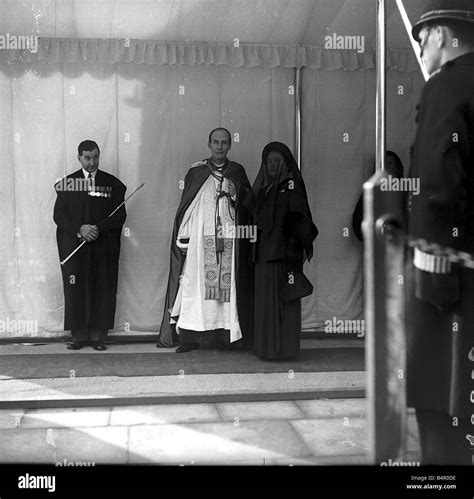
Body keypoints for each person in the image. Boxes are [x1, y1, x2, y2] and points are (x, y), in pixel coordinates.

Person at [405, 0, 474, 465]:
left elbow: (436, 180)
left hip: (457, 277)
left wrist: (431, 268)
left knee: (442, 397)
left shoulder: (447, 87)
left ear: (445, 35)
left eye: (422, 36)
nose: (421, 45)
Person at [157, 128, 254, 353]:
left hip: (229, 238)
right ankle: (191, 338)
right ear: (208, 144)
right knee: (197, 286)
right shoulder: (197, 171)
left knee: (226, 288)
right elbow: (187, 208)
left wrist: (235, 193)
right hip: (202, 242)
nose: (220, 147)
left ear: (230, 145)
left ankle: (226, 337)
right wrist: (185, 236)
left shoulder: (237, 171)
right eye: (216, 142)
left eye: (224, 143)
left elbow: (250, 205)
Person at [53, 140, 127, 351]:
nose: (92, 162)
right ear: (79, 158)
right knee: (76, 287)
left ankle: (98, 336)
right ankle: (78, 335)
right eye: (87, 157)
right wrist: (80, 229)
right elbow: (59, 216)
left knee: (102, 287)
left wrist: (97, 229)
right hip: (75, 246)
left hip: (103, 247)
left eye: (95, 157)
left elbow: (120, 216)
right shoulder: (67, 183)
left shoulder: (113, 184)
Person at [250, 142, 318, 360]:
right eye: (268, 161)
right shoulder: (265, 188)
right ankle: (267, 350)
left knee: (284, 303)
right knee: (266, 304)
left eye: (276, 161)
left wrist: (292, 256)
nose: (272, 165)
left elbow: (300, 223)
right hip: (264, 256)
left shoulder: (291, 186)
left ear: (285, 163)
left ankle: (284, 351)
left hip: (282, 257)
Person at [352, 151, 405, 242]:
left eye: (389, 163)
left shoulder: (406, 191)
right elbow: (358, 219)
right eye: (382, 164)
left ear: (397, 168)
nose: (385, 167)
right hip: (377, 244)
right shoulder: (371, 192)